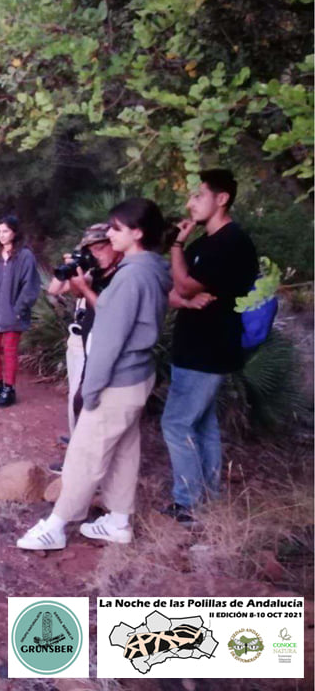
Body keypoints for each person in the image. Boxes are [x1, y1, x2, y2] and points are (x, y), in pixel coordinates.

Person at [16, 198, 172, 550]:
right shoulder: (153, 269)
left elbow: (108, 338)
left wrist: (92, 387)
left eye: (117, 228)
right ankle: (118, 521)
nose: (110, 234)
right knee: (124, 450)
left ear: (138, 233)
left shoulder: (131, 276)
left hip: (118, 379)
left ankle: (56, 526)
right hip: (138, 375)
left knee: (85, 452)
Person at [161, 169, 258, 525]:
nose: (190, 203)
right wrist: (186, 295)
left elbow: (183, 286)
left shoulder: (232, 242)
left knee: (175, 423)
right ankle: (208, 500)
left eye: (198, 195)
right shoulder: (203, 244)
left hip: (209, 350)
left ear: (222, 198)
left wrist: (175, 249)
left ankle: (188, 503)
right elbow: (175, 295)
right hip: (192, 346)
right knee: (202, 425)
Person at [45, 223, 124, 447]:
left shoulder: (123, 275)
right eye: (91, 250)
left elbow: (109, 313)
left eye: (100, 247)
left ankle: (82, 449)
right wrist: (71, 269)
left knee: (85, 398)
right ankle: (76, 443)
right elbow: (55, 289)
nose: (96, 254)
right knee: (75, 396)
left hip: (101, 346)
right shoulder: (95, 271)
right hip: (82, 337)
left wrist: (83, 283)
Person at [0, 215, 41, 408]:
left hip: (13, 313)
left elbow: (30, 285)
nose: (1, 235)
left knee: (10, 351)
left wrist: (19, 308)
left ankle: (9, 389)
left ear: (14, 232)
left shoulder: (25, 256)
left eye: (5, 231)